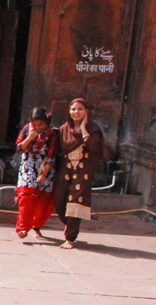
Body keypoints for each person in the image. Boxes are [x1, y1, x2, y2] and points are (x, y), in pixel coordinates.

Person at [54, 98, 105, 249]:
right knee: (60, 202)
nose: (76, 112)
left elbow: (94, 148)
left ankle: (70, 237)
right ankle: (69, 224)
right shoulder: (64, 129)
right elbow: (57, 151)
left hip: (83, 172)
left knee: (76, 203)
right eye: (73, 109)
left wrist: (83, 130)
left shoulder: (94, 129)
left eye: (80, 109)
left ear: (86, 112)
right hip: (65, 171)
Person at [15, 107, 58, 239]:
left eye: (41, 125)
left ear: (47, 123)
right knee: (26, 195)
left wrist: (43, 173)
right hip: (28, 165)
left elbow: (51, 154)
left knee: (44, 200)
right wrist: (30, 138)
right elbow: (19, 148)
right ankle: (23, 227)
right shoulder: (27, 129)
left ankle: (36, 225)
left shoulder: (53, 133)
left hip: (46, 165)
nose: (38, 127)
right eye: (35, 124)